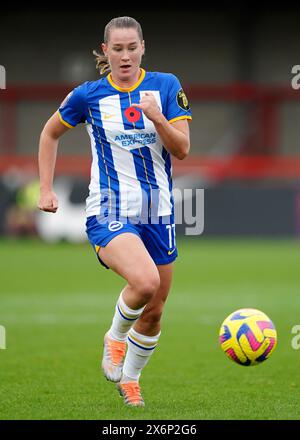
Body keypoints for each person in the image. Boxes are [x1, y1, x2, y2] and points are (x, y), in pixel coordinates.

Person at [38, 16, 192, 407]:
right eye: (117, 49)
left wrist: (157, 117)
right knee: (144, 283)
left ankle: (132, 380)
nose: (125, 56)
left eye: (132, 47)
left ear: (143, 47)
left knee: (154, 312)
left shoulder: (166, 86)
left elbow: (183, 149)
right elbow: (49, 133)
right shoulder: (88, 95)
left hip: (157, 212)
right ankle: (114, 336)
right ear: (105, 52)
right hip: (109, 208)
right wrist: (45, 187)